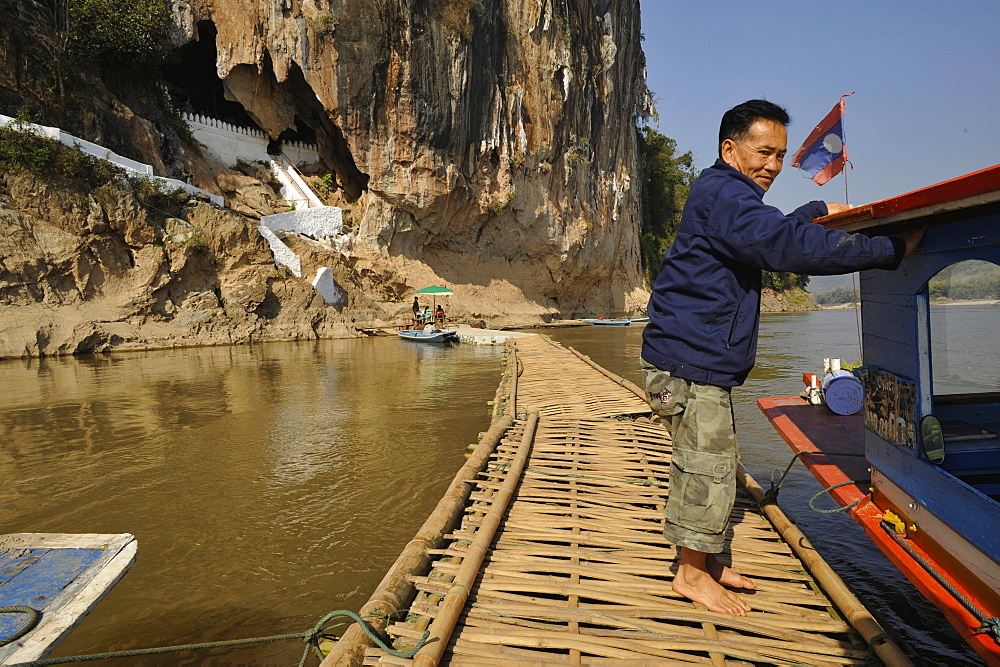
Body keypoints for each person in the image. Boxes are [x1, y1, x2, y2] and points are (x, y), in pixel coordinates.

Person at [641, 99, 926, 617]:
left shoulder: (725, 195)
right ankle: (690, 574)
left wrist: (817, 212)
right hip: (688, 362)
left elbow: (770, 235)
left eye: (780, 155)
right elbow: (785, 248)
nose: (773, 165)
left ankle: (703, 559)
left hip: (695, 358)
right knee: (705, 466)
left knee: (716, 463)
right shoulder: (725, 193)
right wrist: (890, 250)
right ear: (730, 149)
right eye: (763, 152)